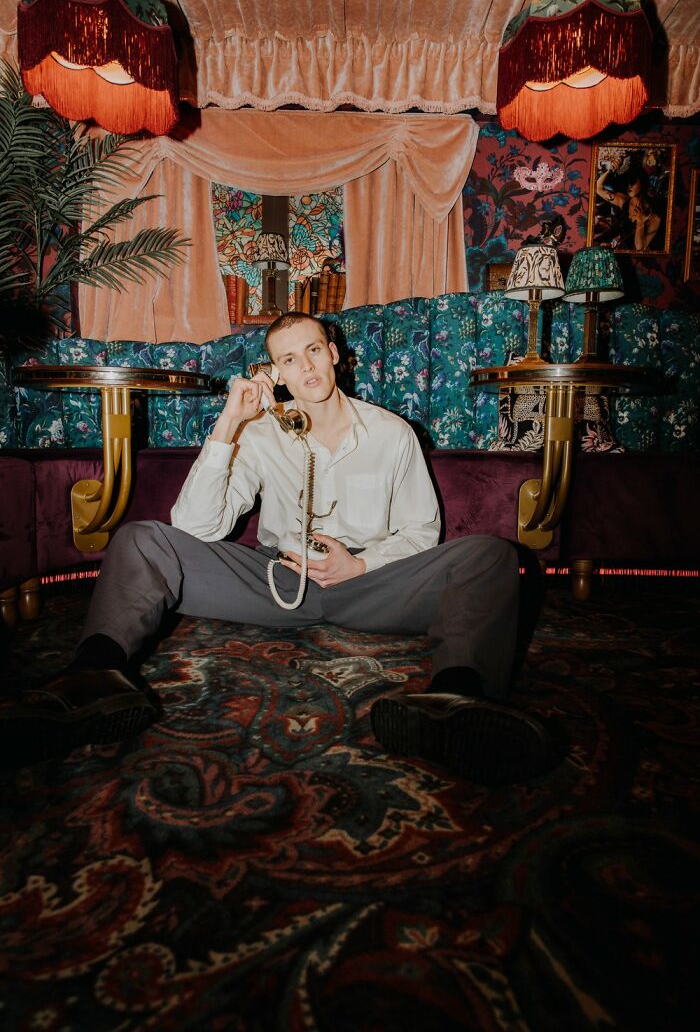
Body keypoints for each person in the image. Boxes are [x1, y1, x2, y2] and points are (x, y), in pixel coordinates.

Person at [2, 314, 553, 783]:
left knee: (492, 555)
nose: (306, 368)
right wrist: (229, 425)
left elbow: (420, 533)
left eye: (313, 350)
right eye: (288, 360)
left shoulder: (392, 434)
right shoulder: (262, 433)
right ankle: (92, 679)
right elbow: (194, 527)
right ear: (274, 373)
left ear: (334, 354)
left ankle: (454, 702)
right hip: (275, 582)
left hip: (372, 585)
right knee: (141, 539)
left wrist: (359, 563)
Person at [596, 157, 662, 252]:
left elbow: (639, 248)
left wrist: (640, 221)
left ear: (643, 181)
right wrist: (610, 169)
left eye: (633, 182)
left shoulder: (654, 217)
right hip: (616, 254)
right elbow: (598, 188)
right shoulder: (623, 200)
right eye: (627, 183)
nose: (629, 187)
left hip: (634, 261)